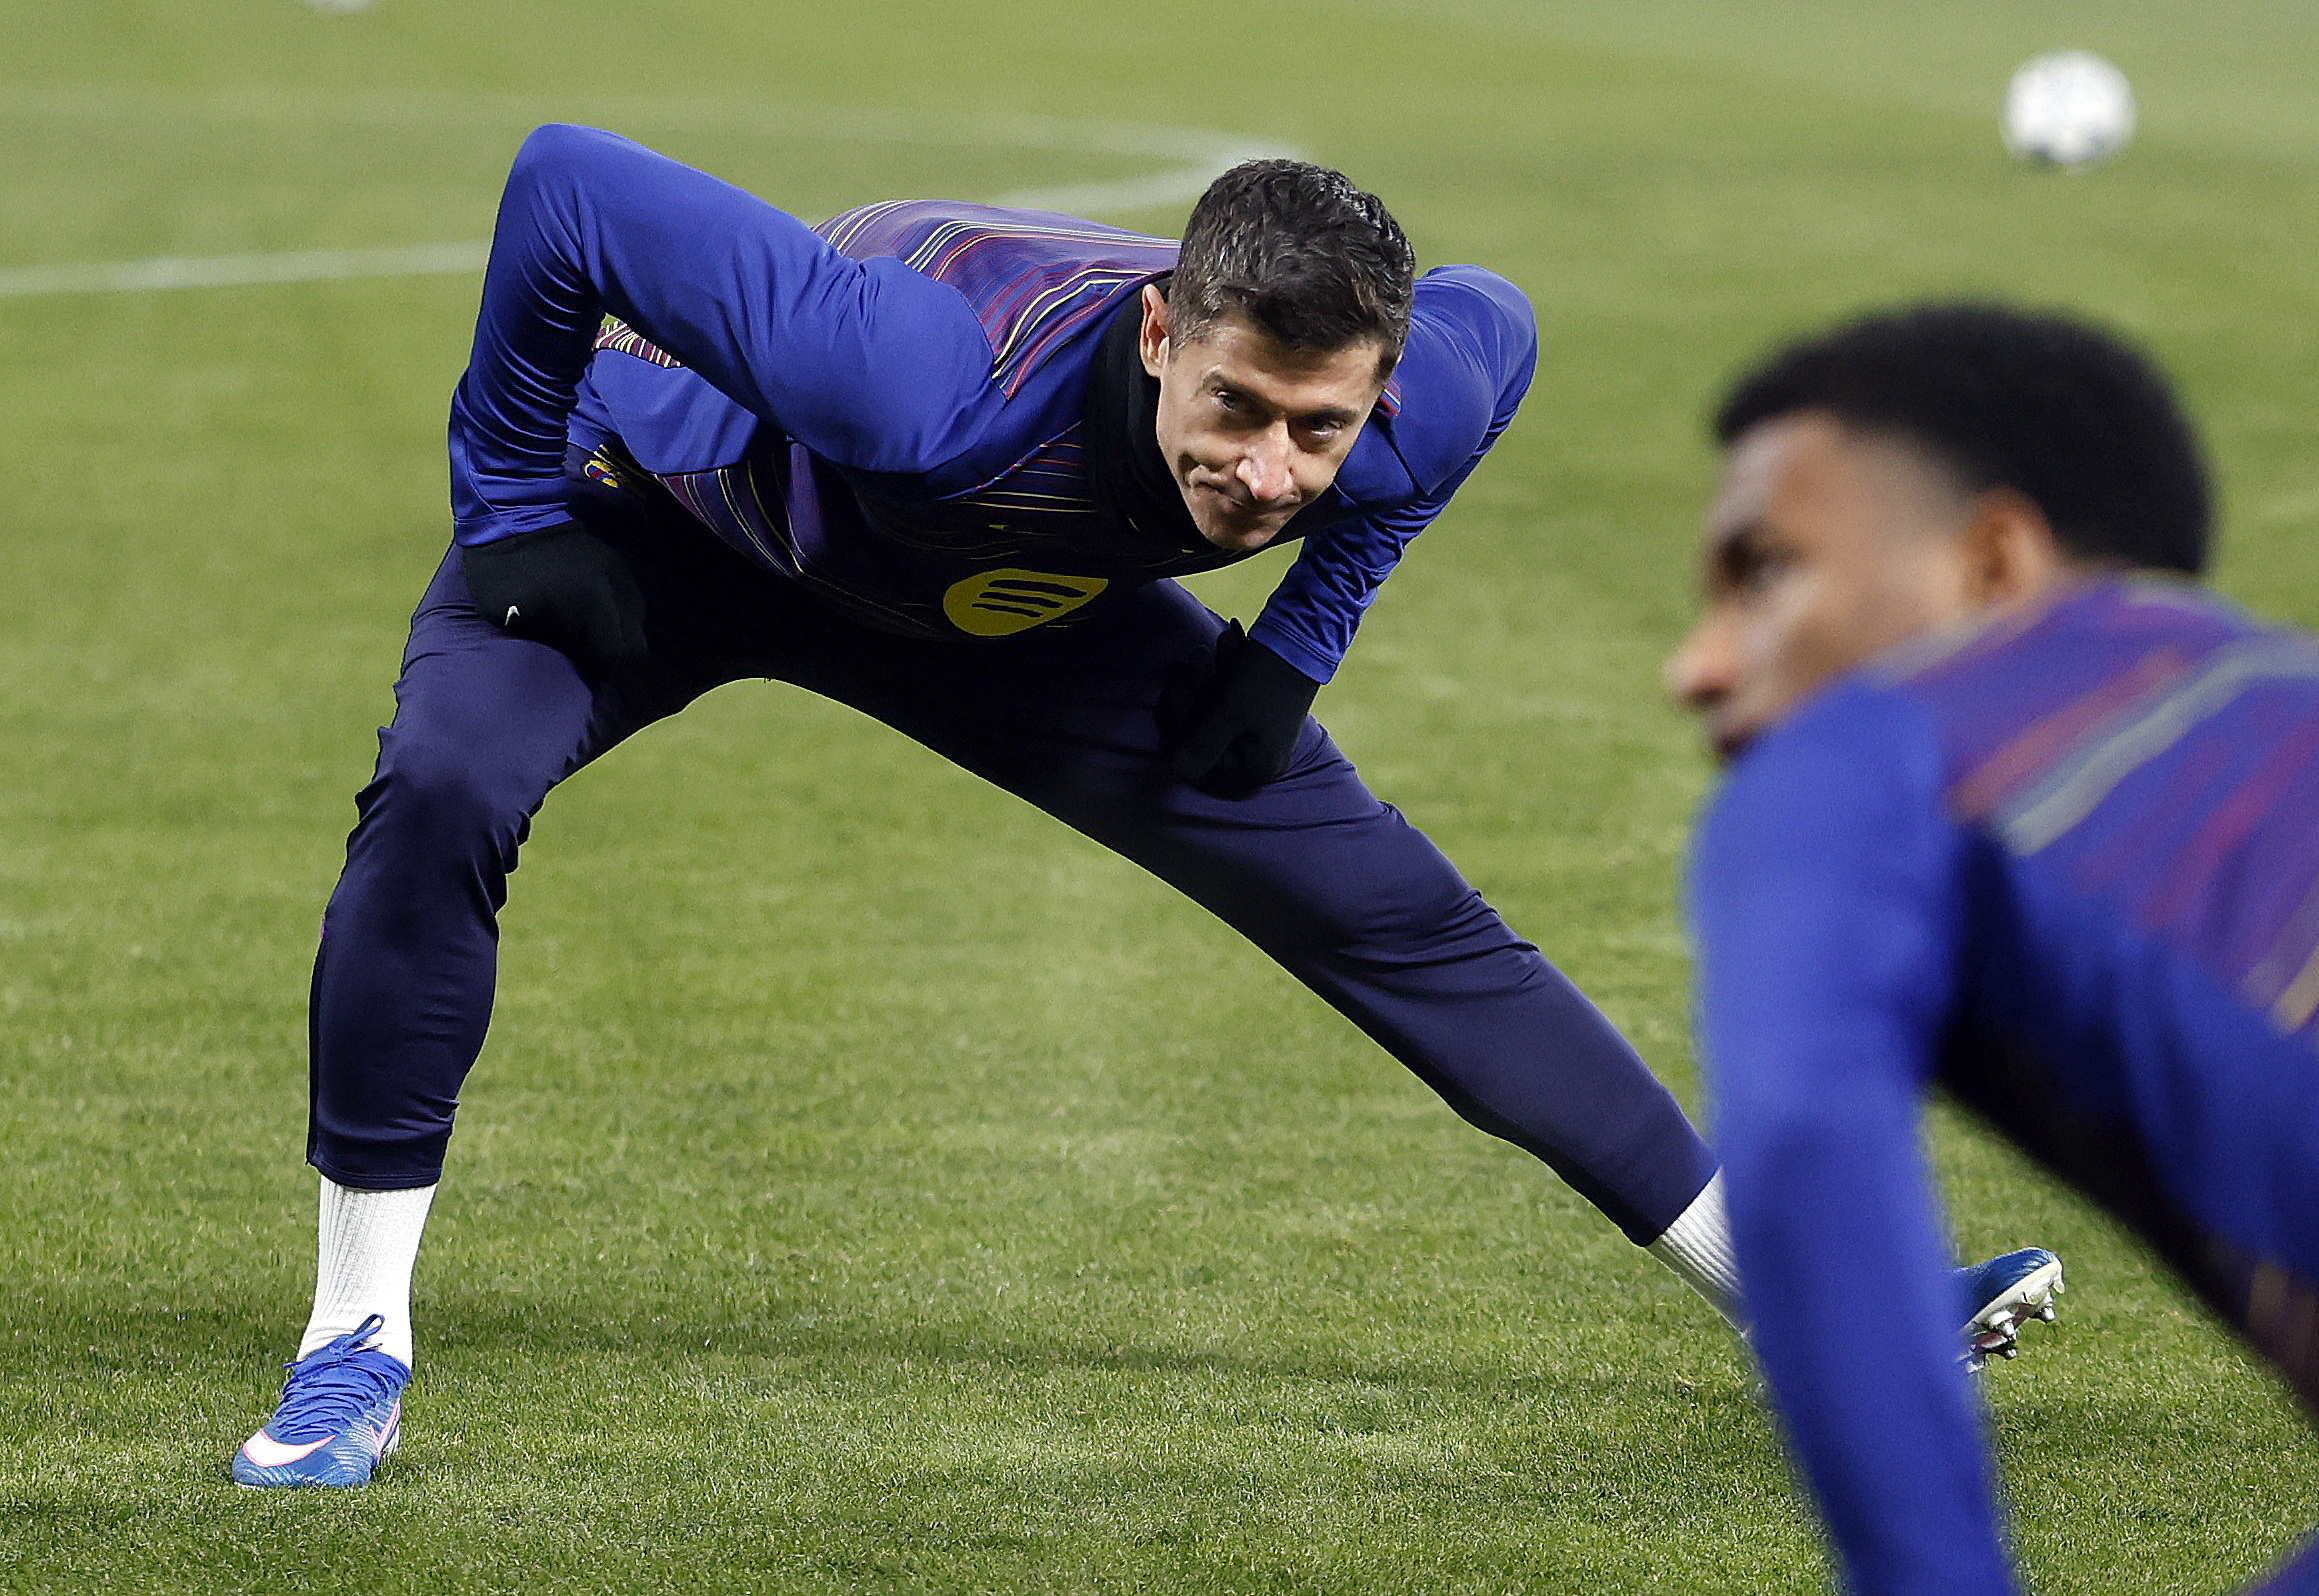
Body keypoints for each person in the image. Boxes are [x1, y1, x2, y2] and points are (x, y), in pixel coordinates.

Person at [232, 129, 2051, 1489]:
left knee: (1389, 910)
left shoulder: (1396, 407)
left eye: (1319, 433)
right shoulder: (913, 377)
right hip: (664, 523)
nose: (1268, 476)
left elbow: (1501, 334)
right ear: (1164, 329)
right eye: (1237, 407)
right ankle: (351, 1336)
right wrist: (511, 518)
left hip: (997, 611)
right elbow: (565, 188)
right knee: (449, 782)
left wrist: (1303, 643)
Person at [1669, 302, 2319, 1595]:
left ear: (1993, 565)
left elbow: (1802, 1135)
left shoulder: (1873, 746)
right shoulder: (2275, 690)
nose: (1701, 663)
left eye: (1765, 573)